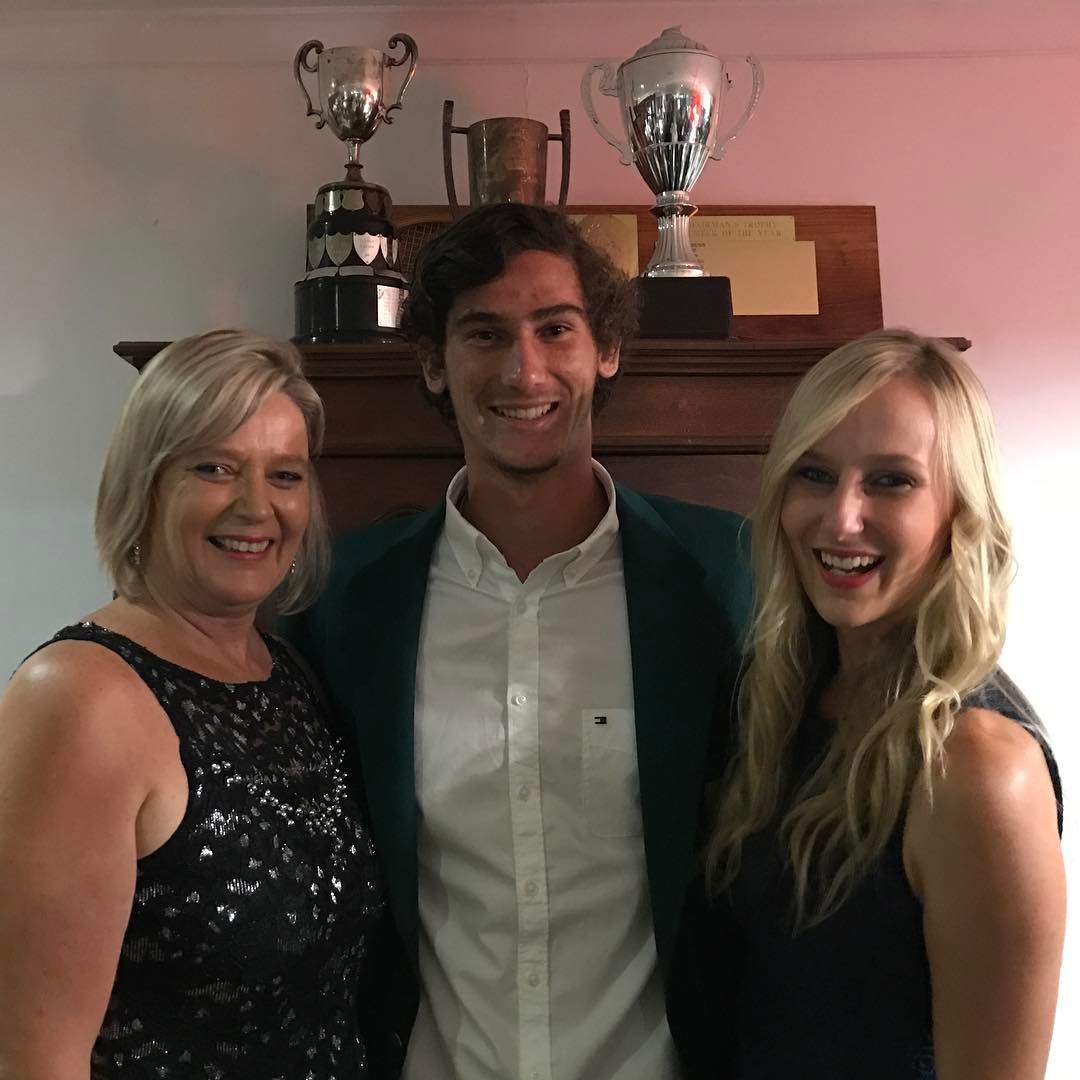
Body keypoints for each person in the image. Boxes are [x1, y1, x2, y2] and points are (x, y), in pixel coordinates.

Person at [284, 202, 752, 1080]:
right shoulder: (347, 600)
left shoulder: (723, 575)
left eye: (556, 329)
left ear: (604, 350)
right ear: (433, 363)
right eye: (484, 334)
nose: (523, 369)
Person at [0, 330, 385, 1079]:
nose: (255, 507)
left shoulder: (289, 674)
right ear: (144, 485)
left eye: (286, 475)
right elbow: (32, 1062)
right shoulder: (80, 699)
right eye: (214, 468)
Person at [702, 329, 1065, 1079]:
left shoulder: (978, 769)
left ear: (958, 509)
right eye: (815, 474)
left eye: (891, 481)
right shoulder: (781, 700)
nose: (841, 519)